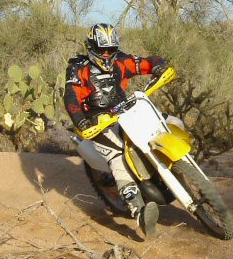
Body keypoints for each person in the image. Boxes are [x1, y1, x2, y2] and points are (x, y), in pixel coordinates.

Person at [64, 23, 169, 239]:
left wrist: (158, 65)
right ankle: (139, 212)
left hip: (124, 111)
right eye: (102, 50)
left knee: (162, 124)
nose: (106, 54)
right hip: (96, 121)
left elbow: (146, 62)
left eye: (110, 49)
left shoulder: (121, 60)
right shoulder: (78, 68)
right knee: (117, 156)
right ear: (90, 47)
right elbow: (71, 97)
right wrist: (80, 121)